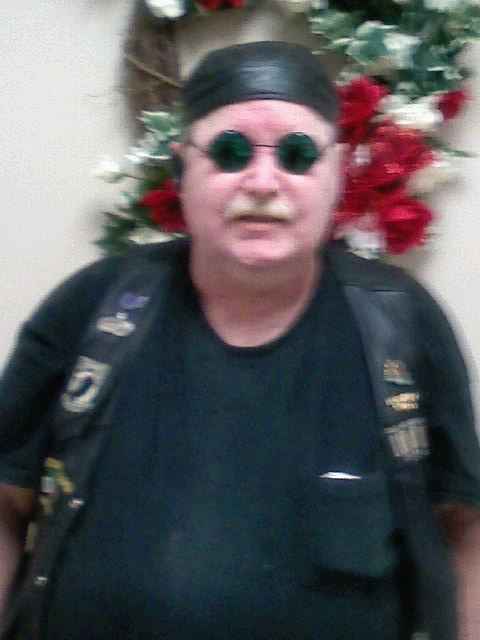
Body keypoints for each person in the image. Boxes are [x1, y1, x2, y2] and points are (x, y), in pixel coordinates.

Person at [1, 41, 480, 640]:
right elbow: (7, 500)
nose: (262, 183)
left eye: (297, 155)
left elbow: (464, 526)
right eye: (231, 152)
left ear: (337, 172)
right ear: (182, 170)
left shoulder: (403, 323)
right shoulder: (92, 307)